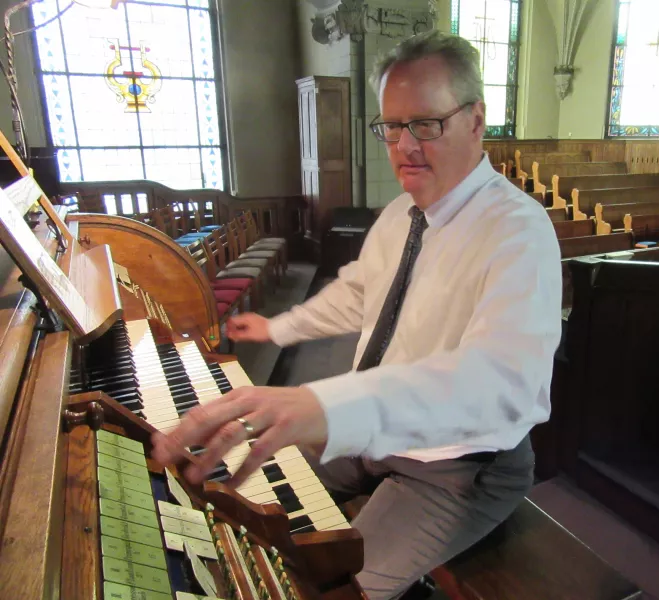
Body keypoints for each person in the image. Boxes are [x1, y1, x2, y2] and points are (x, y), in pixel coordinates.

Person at [152, 29, 562, 600]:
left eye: (426, 124)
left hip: (461, 466)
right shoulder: (399, 214)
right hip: (375, 436)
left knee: (326, 590)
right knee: (234, 492)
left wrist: (323, 402)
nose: (404, 146)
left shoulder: (519, 231)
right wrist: (278, 327)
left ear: (475, 119)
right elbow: (358, 294)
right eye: (392, 126)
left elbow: (500, 382)